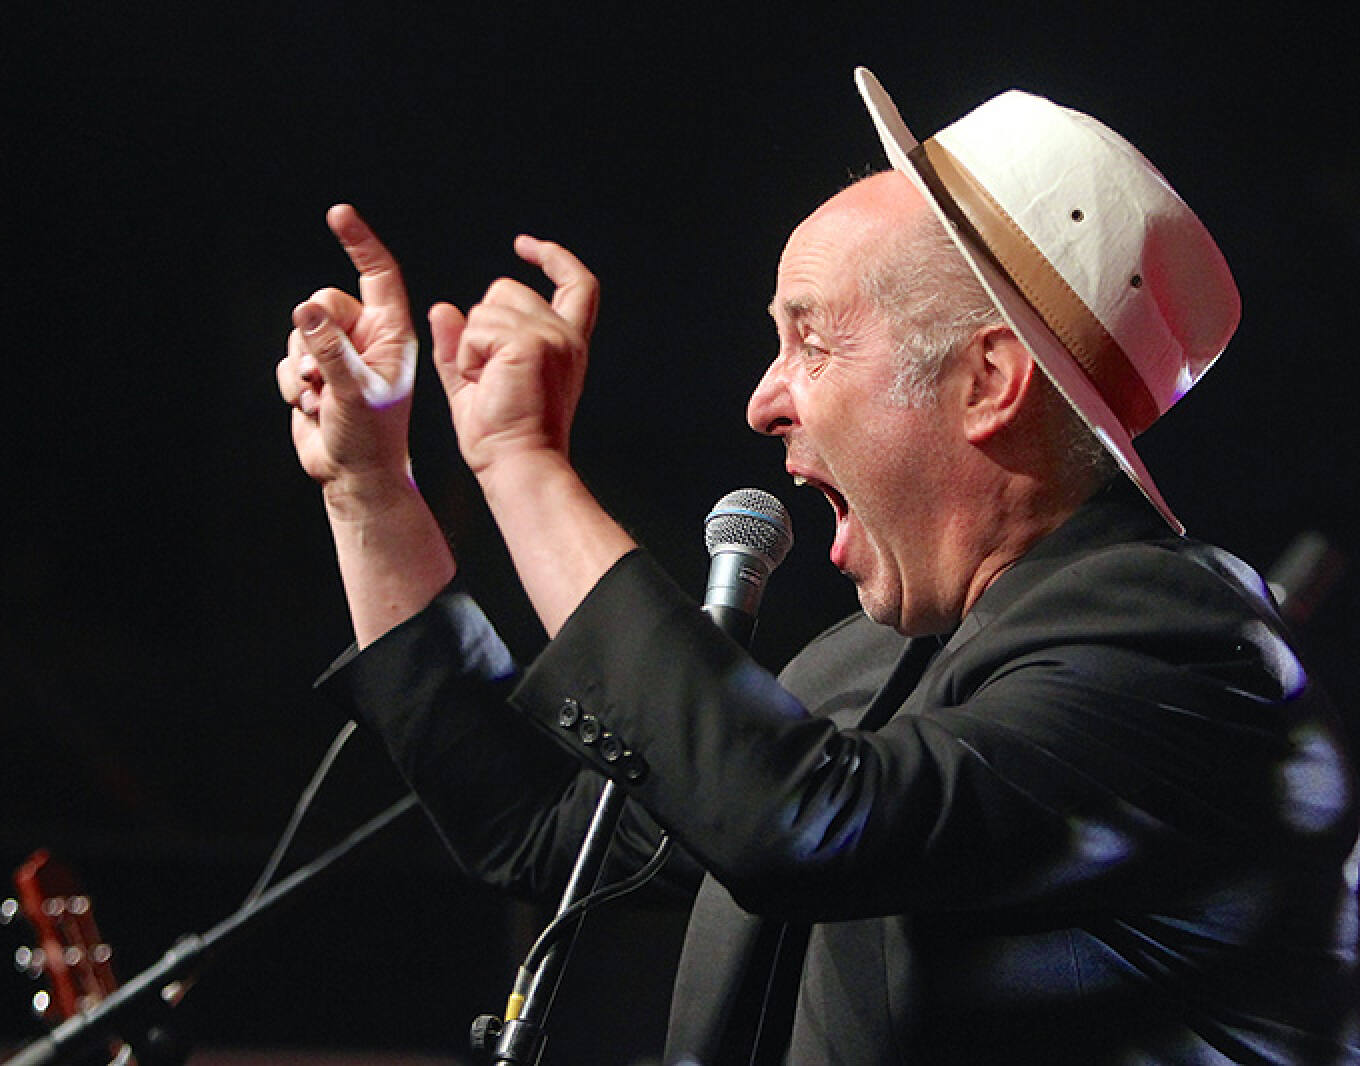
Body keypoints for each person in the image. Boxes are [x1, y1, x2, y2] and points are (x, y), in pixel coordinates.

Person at [275, 68, 1360, 1064]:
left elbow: (797, 821)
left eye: (812, 341)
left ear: (988, 380)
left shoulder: (1182, 647)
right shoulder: (869, 667)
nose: (763, 400)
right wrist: (370, 491)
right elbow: (548, 832)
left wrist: (518, 458)